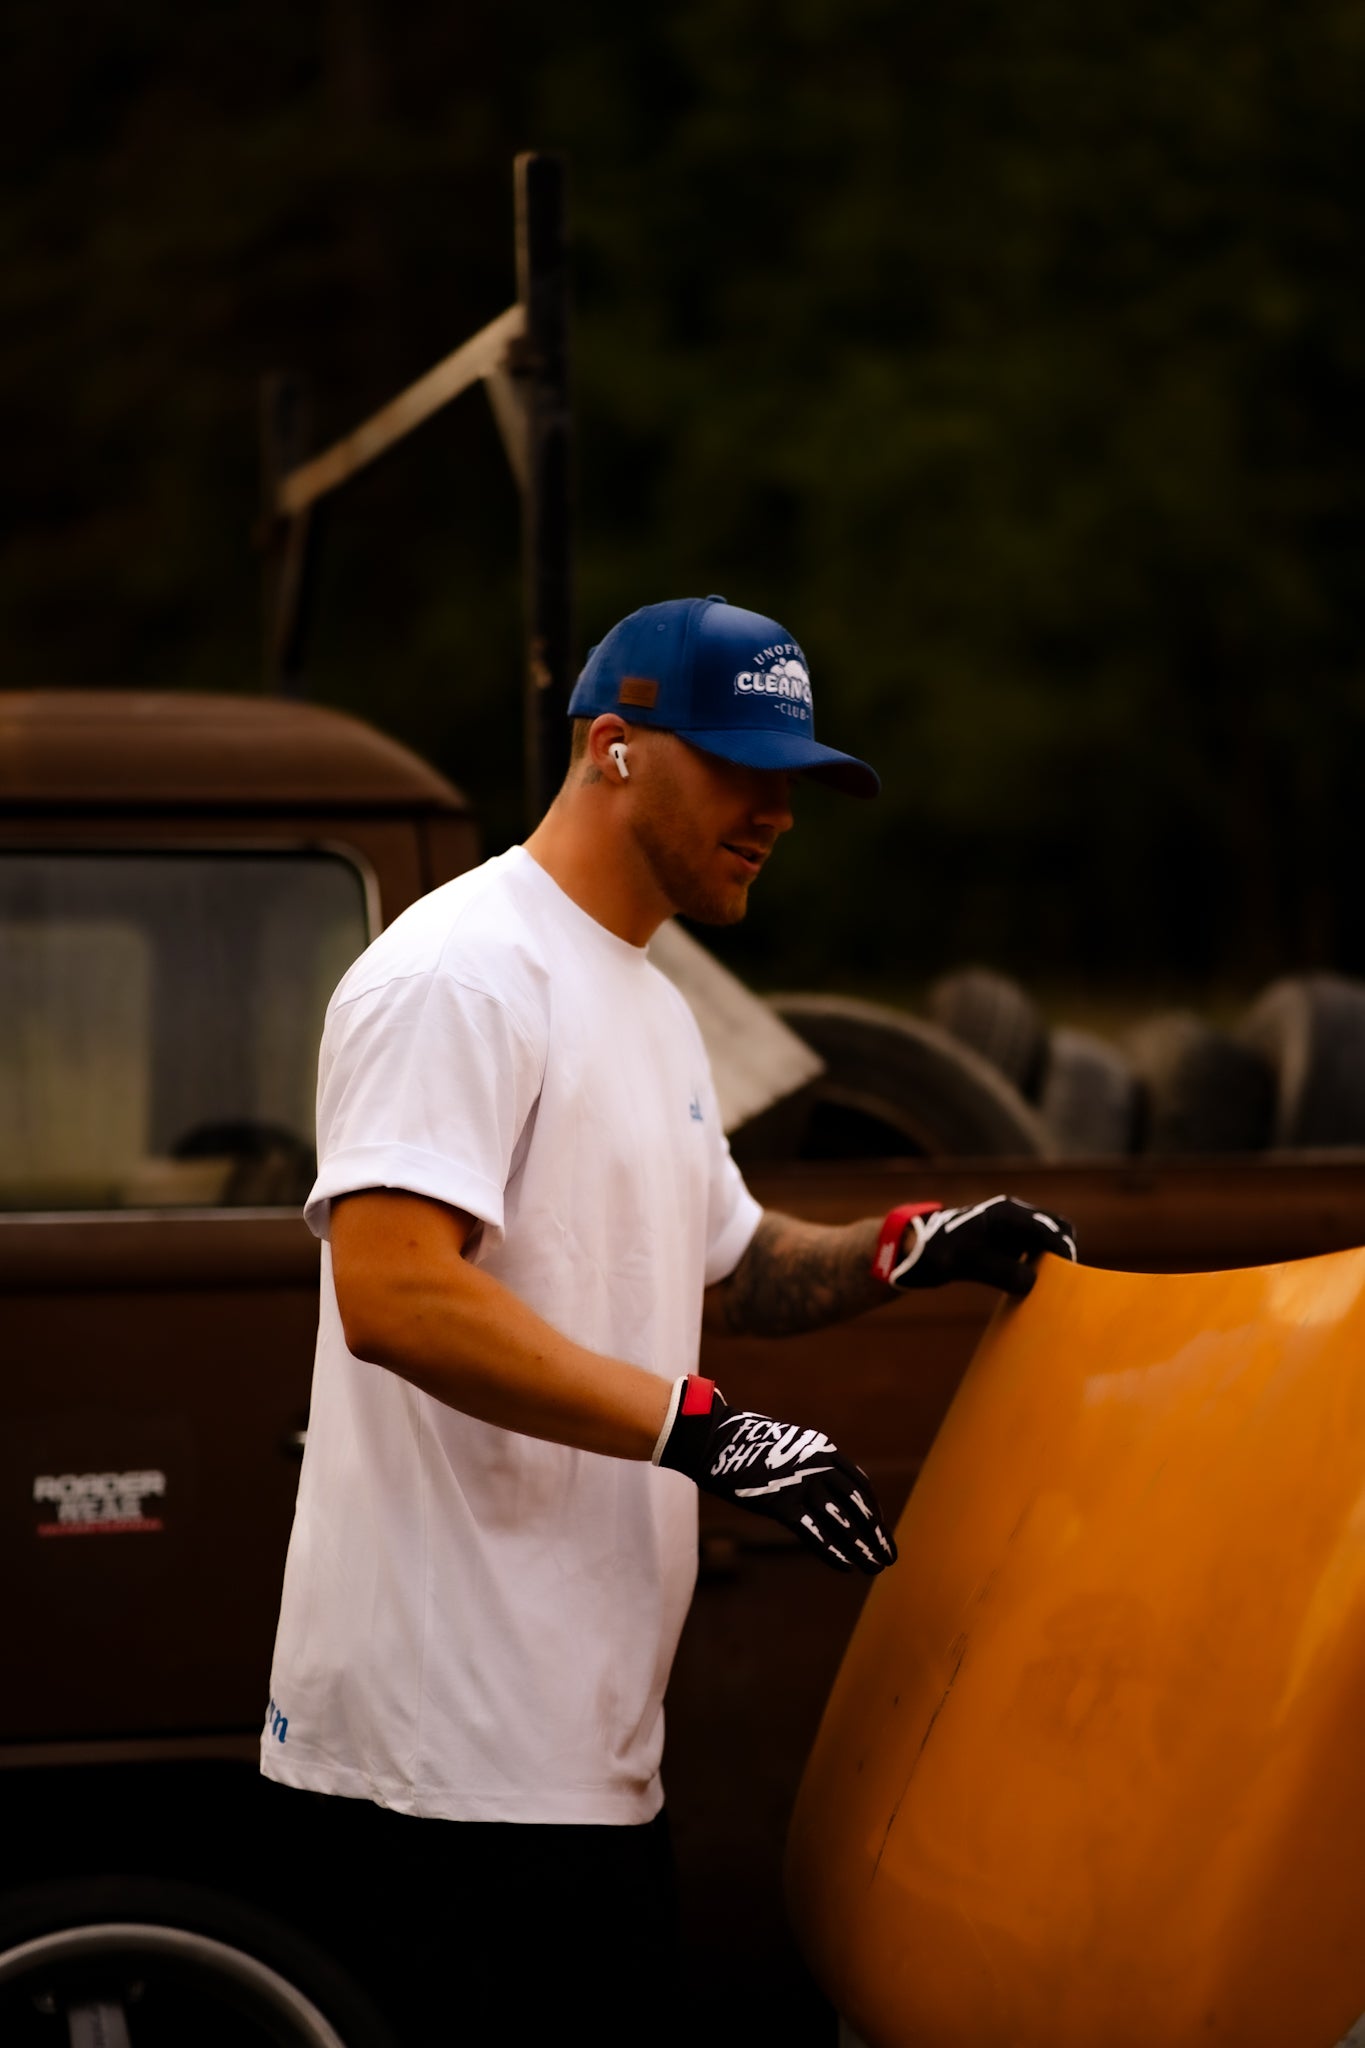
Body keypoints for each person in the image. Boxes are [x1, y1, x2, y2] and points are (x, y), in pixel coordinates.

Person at [259, 595, 1075, 2046]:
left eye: (794, 779)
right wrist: (707, 1430)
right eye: (741, 767)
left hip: (587, 1757)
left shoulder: (649, 1002)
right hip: (435, 1772)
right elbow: (392, 1292)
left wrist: (915, 1245)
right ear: (612, 748)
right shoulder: (459, 973)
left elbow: (735, 1264)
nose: (777, 813)